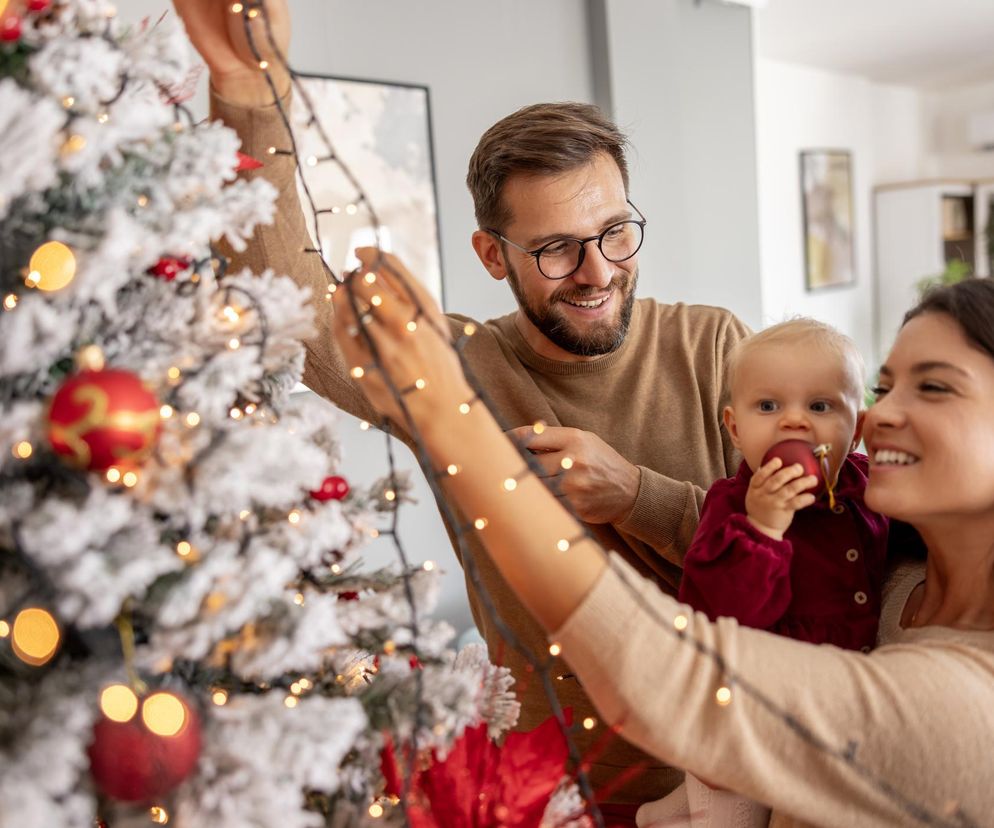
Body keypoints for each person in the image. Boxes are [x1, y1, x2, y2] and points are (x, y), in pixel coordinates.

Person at [172, 0, 750, 811]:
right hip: (552, 795)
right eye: (554, 249)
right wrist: (245, 91)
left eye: (615, 231)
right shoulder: (451, 365)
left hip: (729, 782)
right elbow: (290, 310)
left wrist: (637, 496)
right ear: (491, 254)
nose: (597, 271)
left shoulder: (716, 345)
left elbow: (799, 556)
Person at [332, 253, 994, 827]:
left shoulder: (966, 705)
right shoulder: (905, 568)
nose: (879, 416)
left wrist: (448, 414)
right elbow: (715, 583)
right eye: (884, 387)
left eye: (933, 387)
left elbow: (666, 673)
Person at [638, 320, 889, 828]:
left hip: (830, 711)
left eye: (820, 406)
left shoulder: (872, 489)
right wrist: (763, 528)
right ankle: (691, 806)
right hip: (747, 720)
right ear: (735, 428)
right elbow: (721, 614)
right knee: (733, 814)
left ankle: (680, 808)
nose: (794, 423)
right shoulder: (729, 508)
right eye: (768, 407)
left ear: (856, 429)